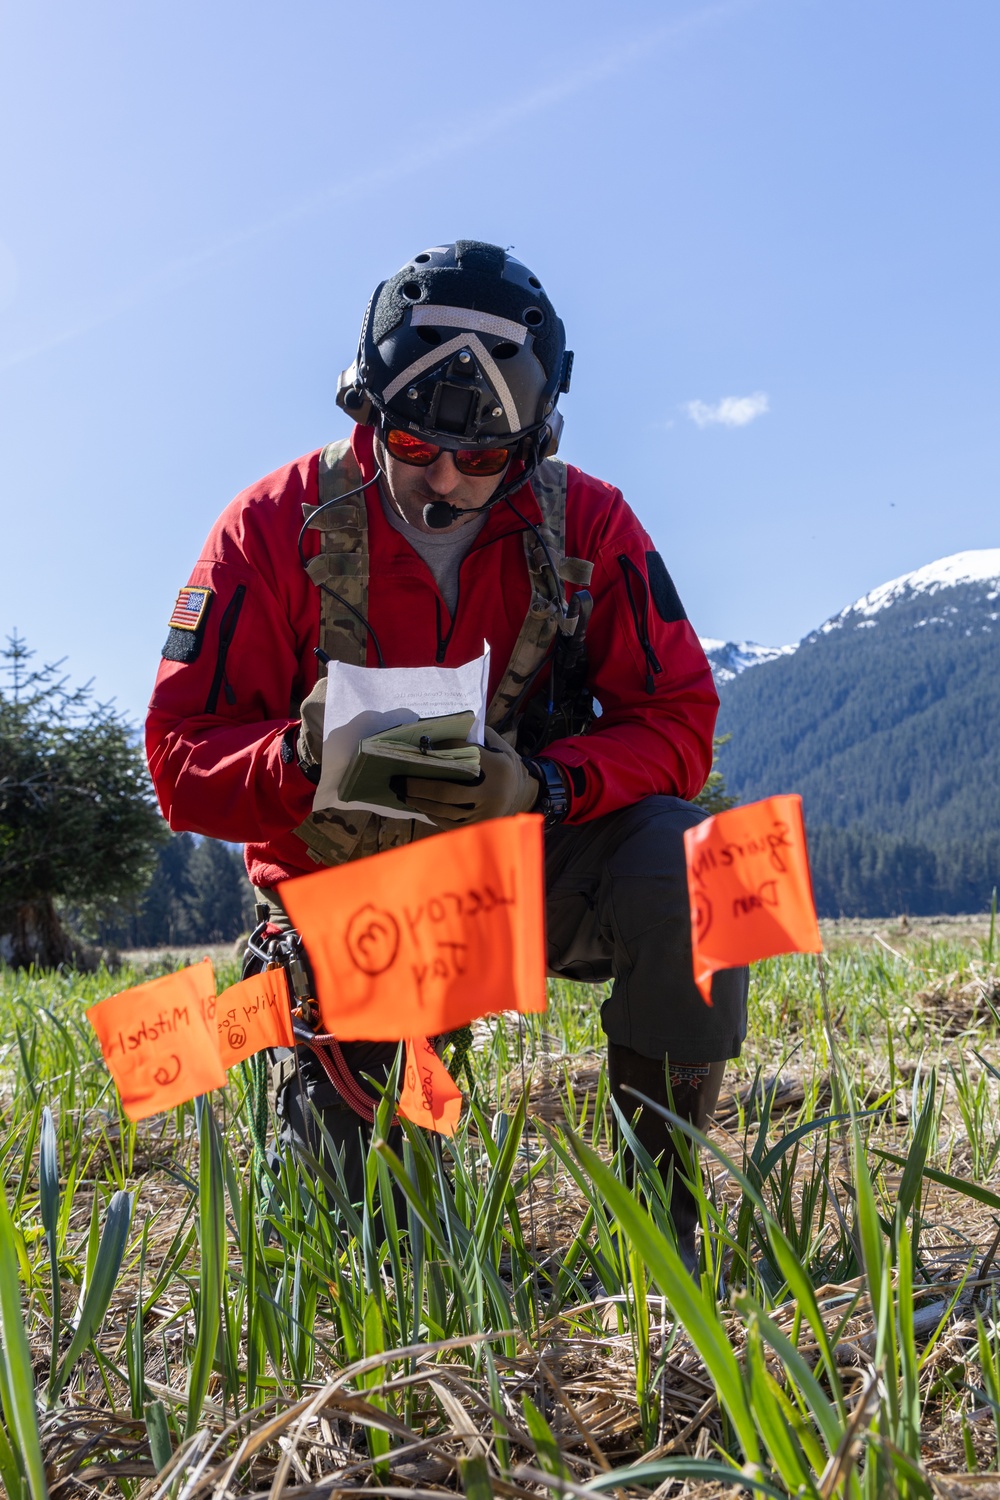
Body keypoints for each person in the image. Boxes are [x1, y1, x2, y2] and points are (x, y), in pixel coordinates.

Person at [146, 240, 748, 1268]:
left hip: (522, 858)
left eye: (482, 460)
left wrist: (551, 785)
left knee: (715, 865)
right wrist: (296, 760)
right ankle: (306, 1065)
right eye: (416, 440)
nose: (444, 477)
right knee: (383, 1252)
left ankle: (669, 1233)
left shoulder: (590, 523)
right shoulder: (266, 528)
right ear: (367, 407)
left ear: (534, 439)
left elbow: (680, 721)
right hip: (356, 895)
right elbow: (179, 761)